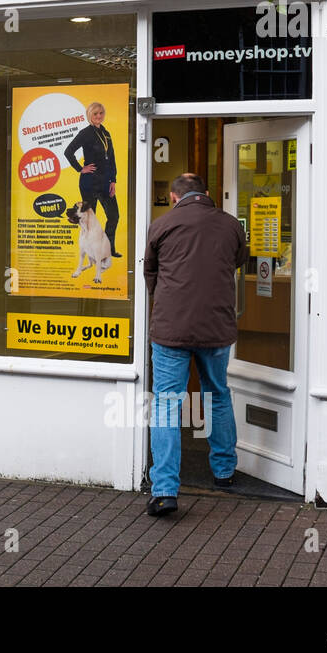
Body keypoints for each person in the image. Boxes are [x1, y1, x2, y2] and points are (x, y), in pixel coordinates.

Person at [142, 172, 248, 517]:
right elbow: (236, 262)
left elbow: (151, 275)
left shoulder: (162, 225)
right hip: (216, 327)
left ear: (174, 197)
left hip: (171, 329)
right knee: (217, 393)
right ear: (207, 193)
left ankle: (164, 491)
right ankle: (224, 472)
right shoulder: (232, 226)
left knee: (167, 404)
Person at [62, 101, 121, 257]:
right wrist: (80, 168)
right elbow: (68, 152)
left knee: (114, 216)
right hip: (90, 182)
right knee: (89, 222)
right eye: (95, 114)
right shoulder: (85, 133)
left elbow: (112, 158)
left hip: (106, 183)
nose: (98, 116)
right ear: (90, 115)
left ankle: (109, 249)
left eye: (101, 113)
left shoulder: (106, 133)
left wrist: (113, 180)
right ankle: (91, 253)